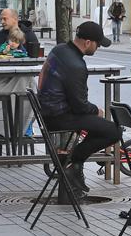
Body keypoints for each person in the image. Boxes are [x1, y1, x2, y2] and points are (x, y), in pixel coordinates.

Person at [36, 21, 120, 195]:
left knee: (98, 125)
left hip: (48, 112)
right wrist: (96, 110)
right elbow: (80, 105)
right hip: (59, 117)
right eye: (97, 44)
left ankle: (73, 162)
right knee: (113, 132)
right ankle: (73, 163)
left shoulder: (60, 50)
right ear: (88, 42)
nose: (98, 48)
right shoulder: (76, 65)